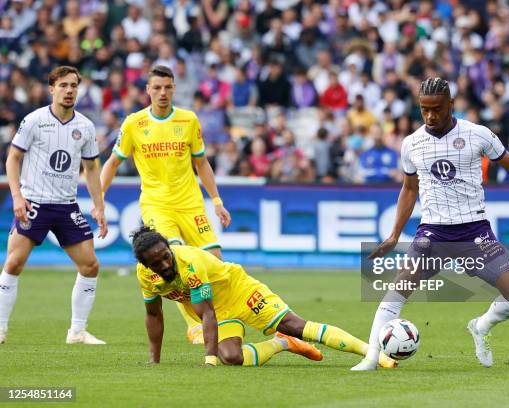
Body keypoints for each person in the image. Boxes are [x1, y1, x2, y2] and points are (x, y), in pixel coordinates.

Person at [351, 77, 509, 371]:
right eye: (424, 109)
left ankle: (480, 326)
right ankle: (370, 358)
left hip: (474, 232)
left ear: (451, 105)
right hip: (433, 233)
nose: (430, 116)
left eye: (437, 109)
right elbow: (409, 189)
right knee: (397, 291)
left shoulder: (478, 134)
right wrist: (394, 234)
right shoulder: (412, 143)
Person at [131, 226, 398, 368]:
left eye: (166, 256)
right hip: (219, 310)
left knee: (296, 325)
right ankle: (283, 344)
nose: (165, 264)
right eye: (156, 263)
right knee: (232, 358)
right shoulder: (145, 277)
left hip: (240, 291)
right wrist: (154, 359)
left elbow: (206, 313)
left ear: (169, 248)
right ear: (145, 265)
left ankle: (373, 353)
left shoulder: (189, 262)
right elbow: (153, 314)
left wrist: (208, 360)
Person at [100, 65, 231, 344]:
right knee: (175, 260)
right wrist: (98, 202)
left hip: (191, 204)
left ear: (174, 89)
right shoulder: (134, 123)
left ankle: (221, 320)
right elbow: (112, 163)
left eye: (167, 87)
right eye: (156, 87)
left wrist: (217, 202)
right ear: (147, 90)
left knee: (216, 263)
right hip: (156, 205)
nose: (162, 93)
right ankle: (194, 324)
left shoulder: (188, 120)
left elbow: (202, 163)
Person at [0, 66, 108, 345]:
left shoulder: (84, 126)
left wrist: (99, 206)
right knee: (13, 263)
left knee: (90, 265)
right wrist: (17, 197)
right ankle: (0, 327)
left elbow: (92, 168)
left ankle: (77, 331)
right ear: (52, 89)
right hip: (34, 202)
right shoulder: (35, 120)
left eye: (74, 85)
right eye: (64, 85)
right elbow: (13, 159)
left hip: (66, 206)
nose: (70, 90)